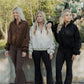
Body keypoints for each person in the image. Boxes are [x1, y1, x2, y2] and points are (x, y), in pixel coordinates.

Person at [48, 9, 81, 84]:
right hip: (61, 50)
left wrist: (75, 52)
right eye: (67, 15)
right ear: (63, 16)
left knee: (69, 70)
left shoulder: (74, 27)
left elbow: (78, 40)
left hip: (70, 50)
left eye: (70, 15)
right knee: (58, 68)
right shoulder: (59, 26)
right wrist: (49, 22)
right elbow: (51, 25)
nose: (69, 16)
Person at [29, 11, 55, 84]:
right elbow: (30, 41)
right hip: (36, 51)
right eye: (38, 16)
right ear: (36, 18)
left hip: (46, 51)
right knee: (37, 69)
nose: (39, 17)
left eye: (40, 16)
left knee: (48, 68)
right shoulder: (32, 28)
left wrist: (51, 52)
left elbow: (51, 40)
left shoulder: (47, 27)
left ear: (43, 17)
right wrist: (30, 52)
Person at [5, 7, 29, 84]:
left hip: (21, 48)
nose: (15, 14)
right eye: (14, 13)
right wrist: (7, 48)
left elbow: (27, 37)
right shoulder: (11, 24)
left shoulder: (25, 23)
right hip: (12, 48)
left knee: (19, 68)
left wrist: (24, 49)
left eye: (16, 12)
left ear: (20, 13)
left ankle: (19, 82)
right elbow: (9, 37)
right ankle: (21, 81)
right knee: (16, 68)